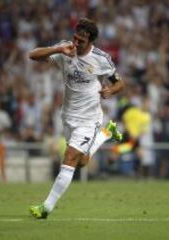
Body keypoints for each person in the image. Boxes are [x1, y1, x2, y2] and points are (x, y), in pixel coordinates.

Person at [28, 18, 125, 219]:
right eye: (75, 37)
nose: (76, 42)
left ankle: (46, 207)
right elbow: (33, 55)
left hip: (90, 118)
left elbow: (119, 83)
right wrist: (57, 50)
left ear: (90, 41)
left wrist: (111, 91)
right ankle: (107, 133)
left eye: (81, 39)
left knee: (70, 157)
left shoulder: (101, 58)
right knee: (81, 162)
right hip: (68, 116)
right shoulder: (64, 49)